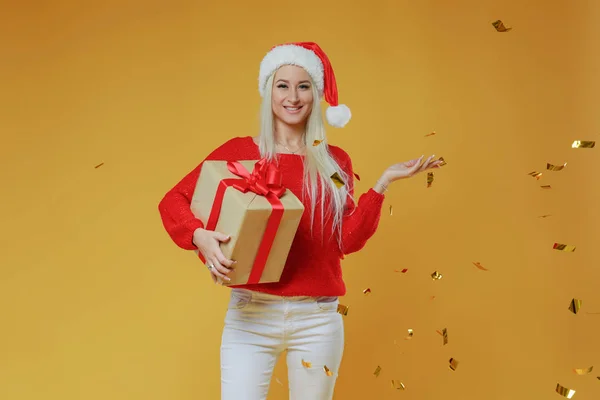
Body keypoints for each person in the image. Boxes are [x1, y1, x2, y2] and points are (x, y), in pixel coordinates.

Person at [158, 41, 441, 400]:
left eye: (303, 86)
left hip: (318, 321)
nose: (293, 96)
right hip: (251, 315)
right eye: (283, 85)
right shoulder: (241, 152)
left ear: (316, 94)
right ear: (268, 92)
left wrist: (383, 184)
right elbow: (173, 201)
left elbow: (347, 239)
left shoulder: (334, 164)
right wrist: (199, 236)